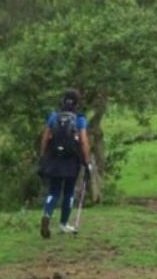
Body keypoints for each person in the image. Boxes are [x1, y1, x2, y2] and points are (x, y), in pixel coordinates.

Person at [39, 89, 92, 239]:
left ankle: (47, 214)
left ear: (63, 101)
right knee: (69, 192)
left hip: (55, 158)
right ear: (77, 103)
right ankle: (63, 224)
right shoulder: (79, 119)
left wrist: (43, 158)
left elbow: (45, 138)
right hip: (71, 160)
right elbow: (83, 141)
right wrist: (87, 162)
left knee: (53, 191)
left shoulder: (54, 117)